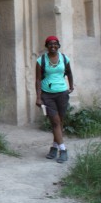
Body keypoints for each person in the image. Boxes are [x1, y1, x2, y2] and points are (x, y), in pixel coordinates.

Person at [35, 35, 74, 163]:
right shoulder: (41, 61)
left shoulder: (64, 58)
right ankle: (63, 150)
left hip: (62, 93)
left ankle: (54, 147)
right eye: (50, 44)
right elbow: (38, 80)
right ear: (46, 46)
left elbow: (69, 72)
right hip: (47, 95)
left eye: (55, 44)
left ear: (58, 45)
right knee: (55, 121)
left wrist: (71, 86)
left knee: (59, 122)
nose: (53, 46)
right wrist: (39, 97)